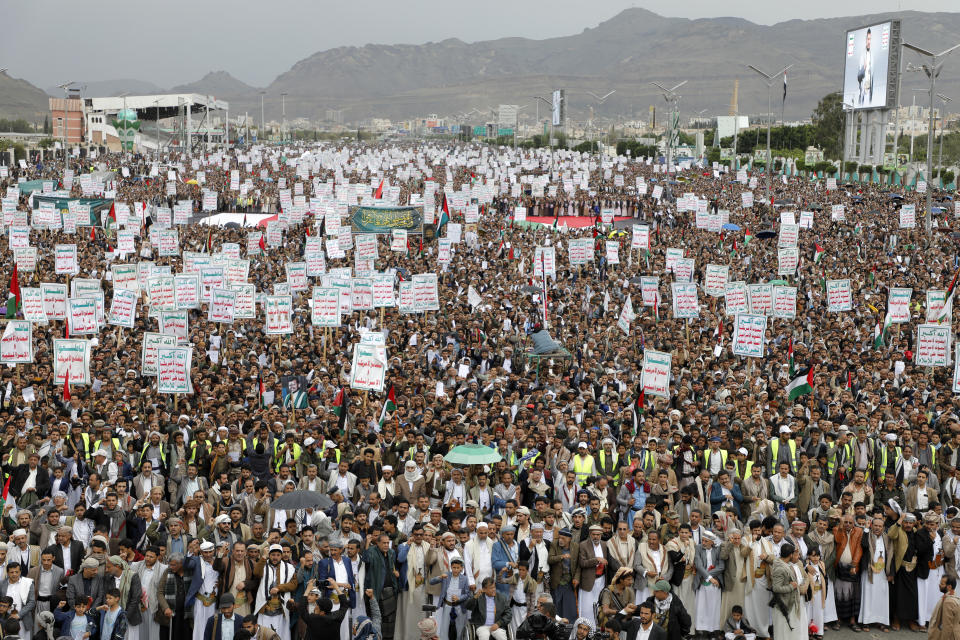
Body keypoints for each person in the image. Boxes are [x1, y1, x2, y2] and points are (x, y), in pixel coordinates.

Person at [769, 544, 805, 640]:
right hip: (782, 604)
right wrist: (791, 587)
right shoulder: (780, 568)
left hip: (789, 602)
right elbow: (776, 588)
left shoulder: (786, 564)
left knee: (788, 631)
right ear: (790, 555)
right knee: (782, 630)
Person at [928, 575, 960, 640]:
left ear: (949, 587)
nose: (939, 585)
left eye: (942, 584)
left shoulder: (948, 602)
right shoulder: (954, 597)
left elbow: (947, 626)